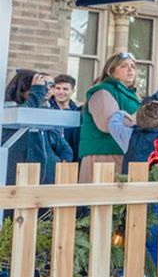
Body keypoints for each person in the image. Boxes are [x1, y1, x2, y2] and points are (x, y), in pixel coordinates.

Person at [3, 70, 74, 186]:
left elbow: (62, 145)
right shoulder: (10, 111)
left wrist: (64, 158)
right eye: (42, 86)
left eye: (50, 86)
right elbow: (25, 116)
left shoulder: (46, 114)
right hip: (18, 180)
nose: (46, 90)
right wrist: (36, 92)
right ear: (22, 89)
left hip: (46, 181)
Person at [78, 52, 141, 181]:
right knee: (99, 199)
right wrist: (141, 121)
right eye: (124, 66)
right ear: (111, 71)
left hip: (123, 154)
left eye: (133, 67)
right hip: (103, 156)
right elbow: (108, 123)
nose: (130, 70)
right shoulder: (103, 91)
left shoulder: (133, 96)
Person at [48, 73, 80, 157]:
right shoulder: (47, 109)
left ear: (73, 91)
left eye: (65, 89)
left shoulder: (77, 113)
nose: (61, 92)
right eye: (58, 88)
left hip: (71, 160)